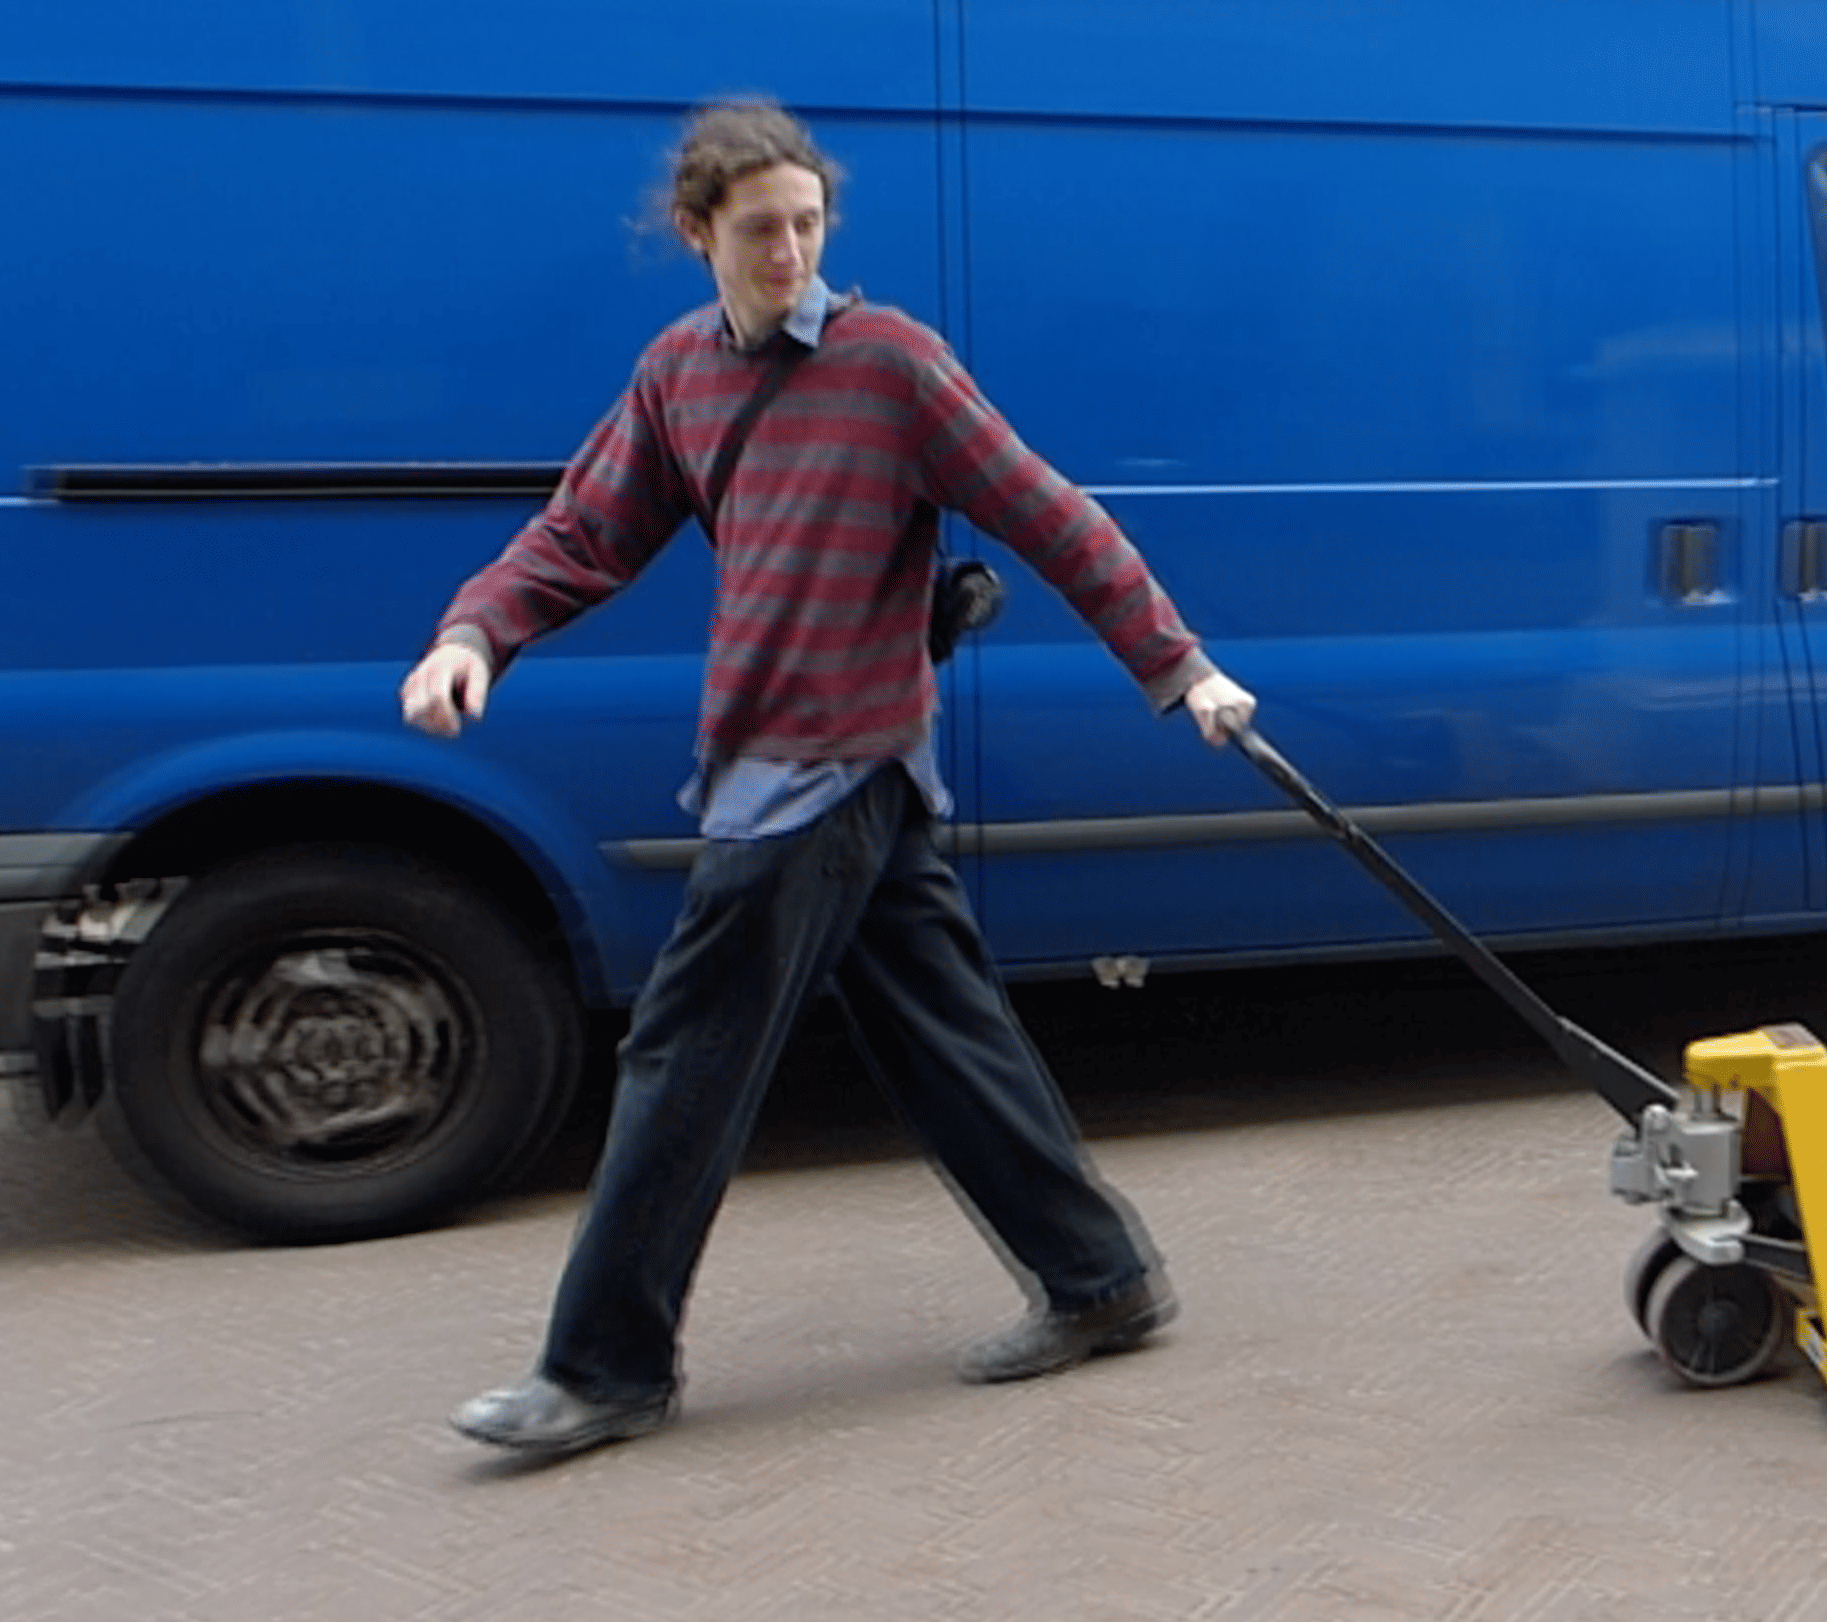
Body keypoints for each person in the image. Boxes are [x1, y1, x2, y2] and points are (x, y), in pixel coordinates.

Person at [402, 98, 1253, 1458]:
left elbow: (1049, 512)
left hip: (833, 763)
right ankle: (1099, 1278)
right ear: (696, 235)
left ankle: (605, 1366)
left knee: (684, 1053)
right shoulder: (678, 375)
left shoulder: (892, 366)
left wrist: (1179, 667)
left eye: (807, 224)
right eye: (758, 231)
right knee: (940, 1031)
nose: (789, 252)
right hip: (770, 753)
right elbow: (582, 533)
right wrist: (474, 632)